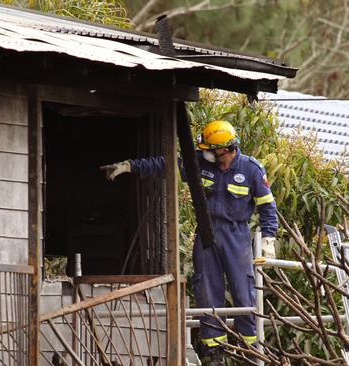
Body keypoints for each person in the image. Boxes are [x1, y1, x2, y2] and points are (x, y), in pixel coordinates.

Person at [100, 120, 277, 365]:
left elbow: (268, 206)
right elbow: (164, 164)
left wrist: (269, 238)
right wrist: (130, 166)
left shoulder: (250, 170)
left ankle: (250, 350)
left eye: (210, 149)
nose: (205, 152)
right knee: (206, 289)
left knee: (243, 291)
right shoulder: (199, 163)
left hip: (236, 235)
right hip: (206, 232)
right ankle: (215, 350)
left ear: (225, 149)